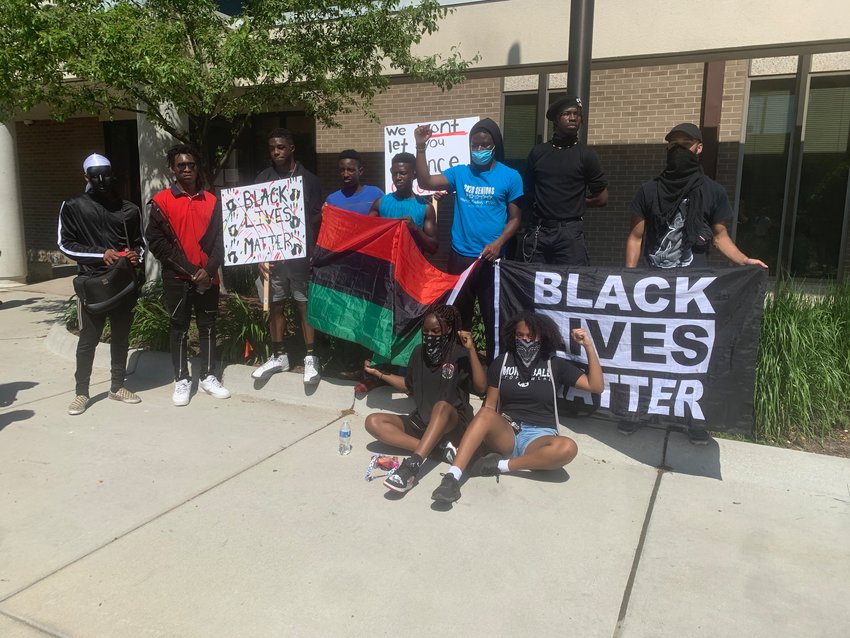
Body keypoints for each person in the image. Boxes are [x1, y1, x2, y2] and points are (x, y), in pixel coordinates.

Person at [622, 122, 768, 443]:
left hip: (694, 287)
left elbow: (720, 236)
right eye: (672, 145)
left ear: (698, 148)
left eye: (684, 145)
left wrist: (744, 260)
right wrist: (629, 277)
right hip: (653, 286)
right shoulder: (649, 190)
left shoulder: (712, 191)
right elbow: (635, 236)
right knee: (649, 352)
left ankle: (694, 417)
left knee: (691, 355)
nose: (677, 151)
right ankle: (641, 409)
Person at [431, 311, 603, 505]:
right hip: (507, 432)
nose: (525, 340)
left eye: (530, 336)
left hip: (539, 436)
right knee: (486, 413)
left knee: (568, 448)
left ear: (542, 337)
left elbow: (595, 386)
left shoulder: (554, 364)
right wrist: (477, 437)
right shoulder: (502, 362)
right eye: (520, 335)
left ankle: (500, 465)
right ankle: (452, 477)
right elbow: (489, 405)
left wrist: (588, 345)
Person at [414, 118, 523, 363]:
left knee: (493, 319)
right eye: (475, 146)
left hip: (491, 261)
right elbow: (425, 182)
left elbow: (516, 219)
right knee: (457, 317)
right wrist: (421, 147)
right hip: (460, 258)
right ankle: (457, 372)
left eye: (485, 146)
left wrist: (499, 243)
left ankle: (494, 376)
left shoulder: (511, 176)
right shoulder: (460, 173)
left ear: (494, 146)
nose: (480, 151)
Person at [363, 305, 486, 494]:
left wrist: (471, 350)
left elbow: (481, 388)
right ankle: (438, 450)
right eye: (426, 331)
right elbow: (409, 386)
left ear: (449, 329)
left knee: (441, 406)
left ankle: (412, 466)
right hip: (424, 422)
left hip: (454, 425)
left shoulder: (459, 354)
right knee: (373, 422)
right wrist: (379, 373)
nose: (430, 335)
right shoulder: (418, 353)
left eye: (435, 331)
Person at [58, 153, 145, 415]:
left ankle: (117, 386)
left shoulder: (128, 208)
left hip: (122, 284)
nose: (101, 180)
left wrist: (135, 255)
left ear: (113, 174)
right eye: (95, 176)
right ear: (86, 177)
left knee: (120, 336)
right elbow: (65, 244)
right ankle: (81, 393)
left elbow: (140, 243)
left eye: (106, 174)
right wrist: (100, 253)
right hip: (93, 284)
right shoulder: (73, 205)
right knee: (88, 339)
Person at [146, 144, 231, 407]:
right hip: (178, 279)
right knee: (179, 329)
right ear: (173, 169)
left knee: (207, 328)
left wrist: (209, 270)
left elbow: (221, 240)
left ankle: (207, 376)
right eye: (181, 165)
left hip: (208, 278)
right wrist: (193, 271)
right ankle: (181, 379)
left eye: (190, 165)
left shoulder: (213, 201)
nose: (186, 169)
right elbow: (156, 242)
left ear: (197, 168)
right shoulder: (161, 202)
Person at [251, 128, 323, 384]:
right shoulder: (262, 179)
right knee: (276, 304)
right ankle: (279, 355)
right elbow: (255, 222)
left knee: (304, 305)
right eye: (272, 148)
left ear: (292, 148)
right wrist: (259, 256)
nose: (276, 152)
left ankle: (311, 358)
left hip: (301, 258)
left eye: (281, 147)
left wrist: (313, 252)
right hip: (273, 258)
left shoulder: (310, 181)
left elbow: (316, 221)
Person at [520, 95, 608, 265]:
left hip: (570, 233)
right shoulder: (538, 153)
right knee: (534, 283)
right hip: (539, 230)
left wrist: (577, 202)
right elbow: (529, 191)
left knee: (572, 283)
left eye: (577, 114)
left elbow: (602, 198)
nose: (573, 117)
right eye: (567, 113)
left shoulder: (586, 155)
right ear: (556, 119)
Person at [369, 152, 438, 254]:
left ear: (414, 174)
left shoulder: (426, 207)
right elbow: (367, 234)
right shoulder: (380, 203)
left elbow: (433, 248)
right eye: (394, 174)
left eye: (403, 173)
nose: (398, 178)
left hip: (413, 267)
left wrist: (415, 229)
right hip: (386, 267)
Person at [326, 149, 384, 215]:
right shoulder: (332, 200)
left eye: (350, 170)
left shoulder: (376, 194)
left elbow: (389, 219)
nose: (345, 174)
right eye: (342, 170)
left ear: (360, 171)